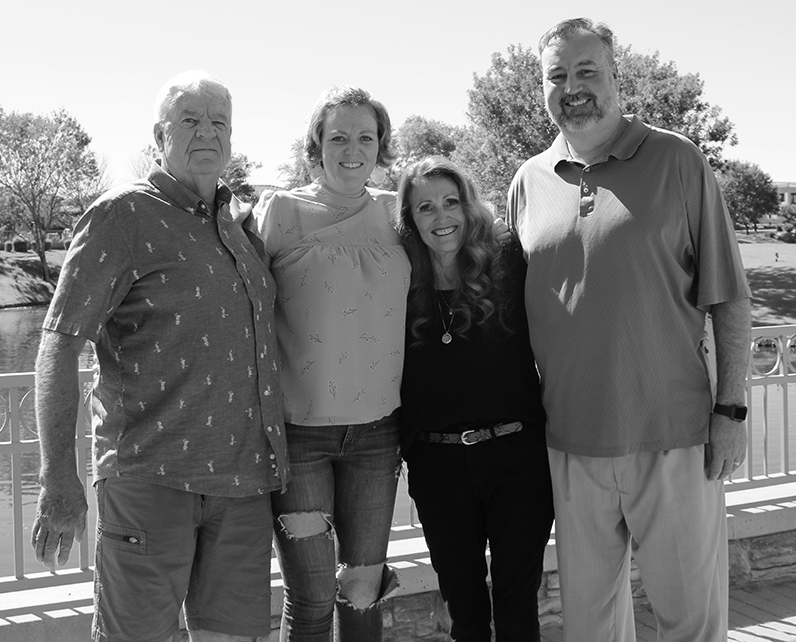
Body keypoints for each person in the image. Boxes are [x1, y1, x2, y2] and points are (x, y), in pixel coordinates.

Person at [506, 18, 752, 642]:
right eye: (556, 76)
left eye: (587, 71)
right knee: (589, 631)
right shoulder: (527, 183)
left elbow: (729, 299)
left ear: (617, 76)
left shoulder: (678, 160)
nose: (572, 87)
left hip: (673, 439)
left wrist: (732, 411)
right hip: (569, 443)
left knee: (690, 625)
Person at [30, 70, 288, 642]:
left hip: (243, 484)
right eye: (190, 120)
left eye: (219, 122)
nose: (207, 133)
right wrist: (58, 478)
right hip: (150, 478)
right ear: (159, 135)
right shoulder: (122, 216)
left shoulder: (237, 225)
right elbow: (60, 341)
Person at [245, 86, 407, 641]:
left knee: (362, 592)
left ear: (382, 145)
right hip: (299, 437)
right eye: (338, 136)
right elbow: (241, 304)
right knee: (312, 598)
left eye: (366, 137)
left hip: (378, 436)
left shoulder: (400, 213)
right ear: (316, 144)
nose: (352, 148)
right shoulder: (279, 212)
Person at [397, 157, 554, 642]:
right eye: (425, 207)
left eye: (451, 202)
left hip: (517, 461)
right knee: (464, 613)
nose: (441, 217)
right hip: (438, 466)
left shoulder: (509, 261)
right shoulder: (397, 279)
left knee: (516, 611)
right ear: (410, 219)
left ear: (468, 208)